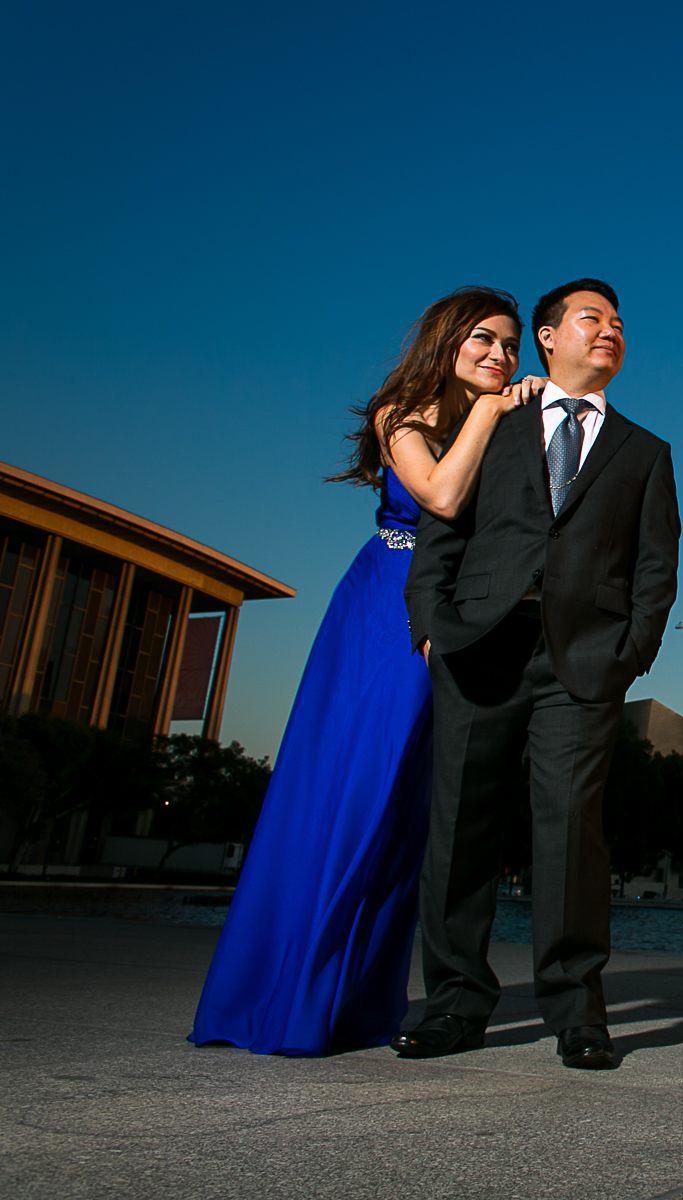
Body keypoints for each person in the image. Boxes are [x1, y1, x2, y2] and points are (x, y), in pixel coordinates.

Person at [190, 287, 543, 1056]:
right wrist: (491, 414)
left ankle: (359, 1003)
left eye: (512, 345)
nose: (500, 356)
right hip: (386, 611)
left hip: (460, 614)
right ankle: (287, 998)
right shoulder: (403, 413)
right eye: (484, 339)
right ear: (447, 341)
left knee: (415, 806)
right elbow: (441, 495)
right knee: (359, 788)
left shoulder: (506, 425)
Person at [395, 278, 679, 1070]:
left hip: (581, 666)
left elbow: (657, 570)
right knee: (459, 832)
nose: (611, 330)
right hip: (477, 645)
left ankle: (577, 1012)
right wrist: (430, 626)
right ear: (548, 338)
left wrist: (630, 656)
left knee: (571, 835)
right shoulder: (494, 419)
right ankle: (454, 1004)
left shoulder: (645, 452)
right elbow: (441, 531)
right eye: (593, 318)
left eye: (620, 322)